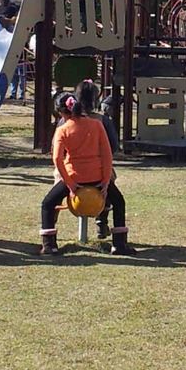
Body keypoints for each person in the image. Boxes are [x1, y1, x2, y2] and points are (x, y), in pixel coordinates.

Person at [40, 92, 135, 256]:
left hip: (75, 178)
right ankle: (119, 244)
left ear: (61, 112)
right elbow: (107, 155)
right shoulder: (97, 125)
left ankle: (49, 245)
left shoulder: (62, 129)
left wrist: (70, 184)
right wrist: (105, 182)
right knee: (118, 202)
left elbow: (57, 158)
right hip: (97, 177)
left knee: (48, 204)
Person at [73, 80, 121, 239]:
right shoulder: (102, 121)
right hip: (99, 172)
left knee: (49, 202)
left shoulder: (66, 120)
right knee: (115, 196)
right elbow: (113, 146)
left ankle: (49, 233)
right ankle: (103, 223)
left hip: (72, 173)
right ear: (95, 100)